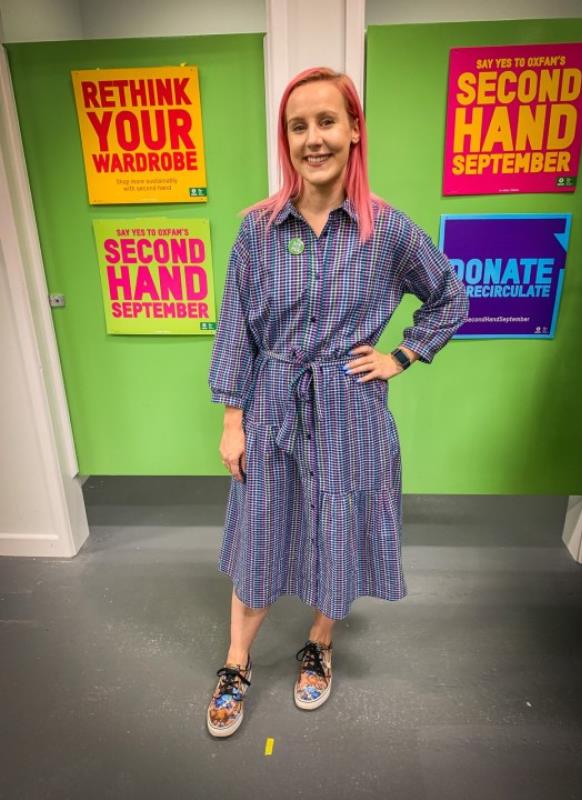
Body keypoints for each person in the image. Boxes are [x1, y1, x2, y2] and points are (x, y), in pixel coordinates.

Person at [206, 66, 469, 737]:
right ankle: (237, 661)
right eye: (299, 125)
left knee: (337, 529)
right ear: (285, 138)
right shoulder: (256, 232)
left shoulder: (390, 231)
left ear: (354, 132)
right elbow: (235, 326)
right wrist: (232, 418)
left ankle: (319, 644)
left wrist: (401, 356)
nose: (313, 137)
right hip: (269, 405)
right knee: (260, 531)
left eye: (327, 121)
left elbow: (450, 298)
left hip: (350, 410)